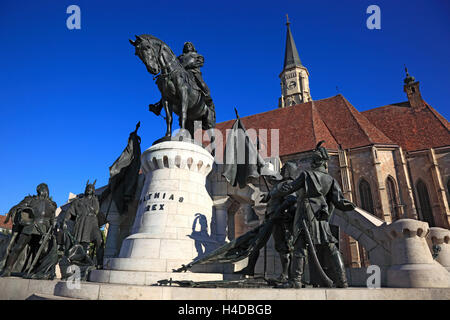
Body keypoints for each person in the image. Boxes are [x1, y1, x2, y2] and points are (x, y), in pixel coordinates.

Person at [268, 141, 356, 288]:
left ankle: (296, 280)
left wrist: (274, 191)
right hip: (321, 217)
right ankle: (342, 281)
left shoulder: (306, 175)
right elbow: (339, 201)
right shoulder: (330, 180)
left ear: (315, 162)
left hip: (305, 215)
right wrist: (349, 207)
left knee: (300, 246)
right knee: (331, 247)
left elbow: (289, 188)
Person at [234, 163, 297, 279]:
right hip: (270, 218)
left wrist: (280, 211)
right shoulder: (281, 184)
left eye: (284, 169)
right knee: (257, 242)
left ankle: (286, 274)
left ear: (289, 171)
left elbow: (291, 199)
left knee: (283, 246)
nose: (281, 170)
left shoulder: (289, 184)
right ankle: (250, 268)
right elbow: (274, 190)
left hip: (279, 219)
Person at [0, 183, 57, 277]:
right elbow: (19, 208)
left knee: (41, 251)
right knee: (18, 247)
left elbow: (52, 219)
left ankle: (34, 270)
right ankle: (7, 269)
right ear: (39, 190)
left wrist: (53, 226)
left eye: (46, 189)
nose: (45, 191)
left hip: (43, 231)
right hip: (30, 226)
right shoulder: (31, 199)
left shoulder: (51, 205)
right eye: (43, 189)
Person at [63, 180, 104, 269]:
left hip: (93, 223)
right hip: (82, 223)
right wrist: (65, 221)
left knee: (99, 240)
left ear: (93, 190)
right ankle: (81, 263)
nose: (89, 189)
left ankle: (100, 263)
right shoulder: (78, 201)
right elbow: (70, 211)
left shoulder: (95, 200)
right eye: (87, 188)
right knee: (82, 245)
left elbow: (96, 211)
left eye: (91, 188)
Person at [177, 42, 215, 118]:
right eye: (186, 46)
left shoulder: (197, 55)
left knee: (202, 83)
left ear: (192, 47)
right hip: (181, 74)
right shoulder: (179, 57)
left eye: (189, 45)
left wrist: (189, 65)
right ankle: (159, 105)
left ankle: (207, 98)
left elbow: (201, 62)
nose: (188, 46)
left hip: (193, 73)